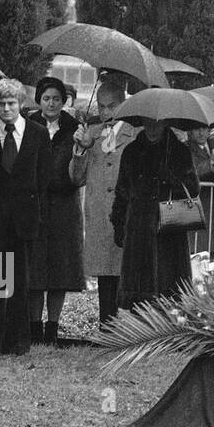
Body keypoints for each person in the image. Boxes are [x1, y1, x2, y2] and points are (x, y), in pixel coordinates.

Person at [0, 78, 49, 356]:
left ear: (21, 104)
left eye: (11, 103)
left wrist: (37, 216)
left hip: (24, 219)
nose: (6, 108)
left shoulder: (38, 134)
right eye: (1, 103)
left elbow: (44, 179)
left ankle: (18, 342)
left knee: (19, 282)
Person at [111, 120, 201, 310]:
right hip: (138, 229)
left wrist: (171, 179)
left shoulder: (179, 151)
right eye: (148, 123)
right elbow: (121, 191)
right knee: (137, 295)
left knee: (169, 291)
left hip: (169, 229)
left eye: (157, 124)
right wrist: (118, 224)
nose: (152, 128)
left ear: (166, 124)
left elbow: (193, 188)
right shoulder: (131, 151)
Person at [69, 75, 136, 325]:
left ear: (123, 104)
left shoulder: (134, 134)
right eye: (102, 105)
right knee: (105, 276)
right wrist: (81, 149)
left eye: (112, 105)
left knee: (126, 272)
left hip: (125, 213)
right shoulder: (91, 134)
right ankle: (106, 325)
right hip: (99, 214)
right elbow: (76, 178)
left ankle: (128, 327)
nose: (106, 111)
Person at [25, 76, 84, 345]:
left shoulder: (74, 129)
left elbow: (79, 174)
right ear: (39, 100)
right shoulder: (27, 125)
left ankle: (53, 326)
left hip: (64, 207)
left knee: (60, 269)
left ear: (64, 102)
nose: (51, 103)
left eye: (57, 99)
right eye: (47, 98)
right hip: (35, 205)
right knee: (35, 269)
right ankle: (34, 326)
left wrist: (81, 149)